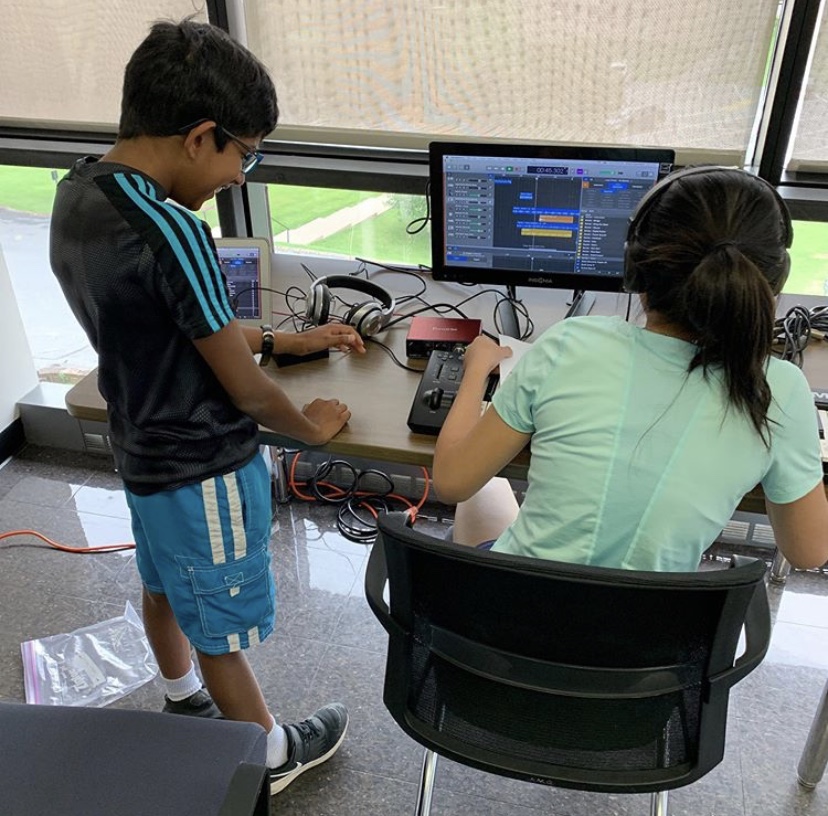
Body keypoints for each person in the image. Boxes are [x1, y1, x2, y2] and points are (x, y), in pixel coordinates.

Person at [49, 18, 362, 795]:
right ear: (199, 137)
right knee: (222, 623)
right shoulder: (176, 230)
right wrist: (314, 430)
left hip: (143, 450)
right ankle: (271, 755)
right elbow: (247, 393)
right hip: (204, 469)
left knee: (164, 586)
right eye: (244, 153)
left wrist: (284, 339)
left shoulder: (81, 192)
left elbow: (176, 328)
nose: (242, 175)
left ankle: (181, 699)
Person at [433, 166, 828, 573]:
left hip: (502, 624)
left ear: (634, 268)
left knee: (485, 488)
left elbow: (450, 481)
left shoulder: (570, 344)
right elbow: (809, 552)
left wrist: (476, 372)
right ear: (773, 282)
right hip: (647, 630)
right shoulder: (780, 389)